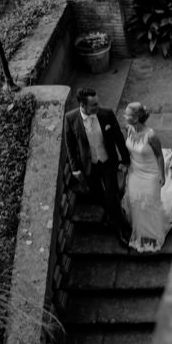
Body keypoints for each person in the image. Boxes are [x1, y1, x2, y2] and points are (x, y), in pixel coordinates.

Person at [64, 87, 131, 245]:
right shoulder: (70, 118)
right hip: (89, 166)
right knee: (98, 195)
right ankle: (112, 213)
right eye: (93, 105)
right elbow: (70, 146)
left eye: (97, 103)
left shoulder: (106, 114)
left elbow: (118, 138)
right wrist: (75, 169)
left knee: (112, 194)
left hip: (108, 162)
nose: (97, 107)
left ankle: (120, 229)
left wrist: (125, 159)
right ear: (83, 105)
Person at [121, 102, 168, 252]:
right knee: (136, 201)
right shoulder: (128, 129)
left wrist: (162, 175)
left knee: (149, 202)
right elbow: (129, 151)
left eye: (127, 114)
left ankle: (153, 234)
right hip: (135, 171)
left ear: (136, 118)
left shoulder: (151, 135)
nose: (124, 116)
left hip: (151, 173)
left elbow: (159, 156)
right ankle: (141, 232)